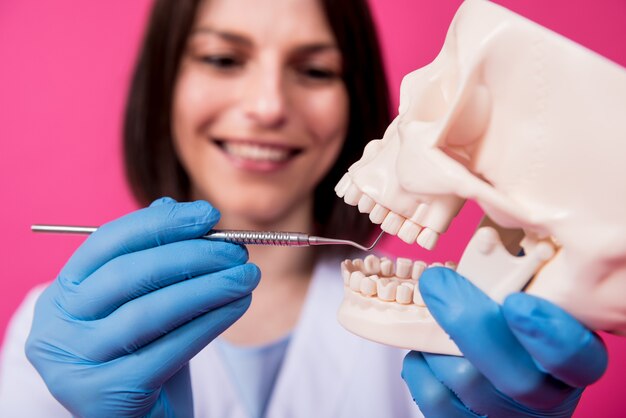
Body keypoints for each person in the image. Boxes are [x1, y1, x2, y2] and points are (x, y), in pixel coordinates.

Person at [0, 0, 608, 417]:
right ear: (166, 84)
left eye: (314, 70)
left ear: (354, 98)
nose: (267, 106)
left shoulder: (447, 348)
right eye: (222, 58)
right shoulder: (61, 336)